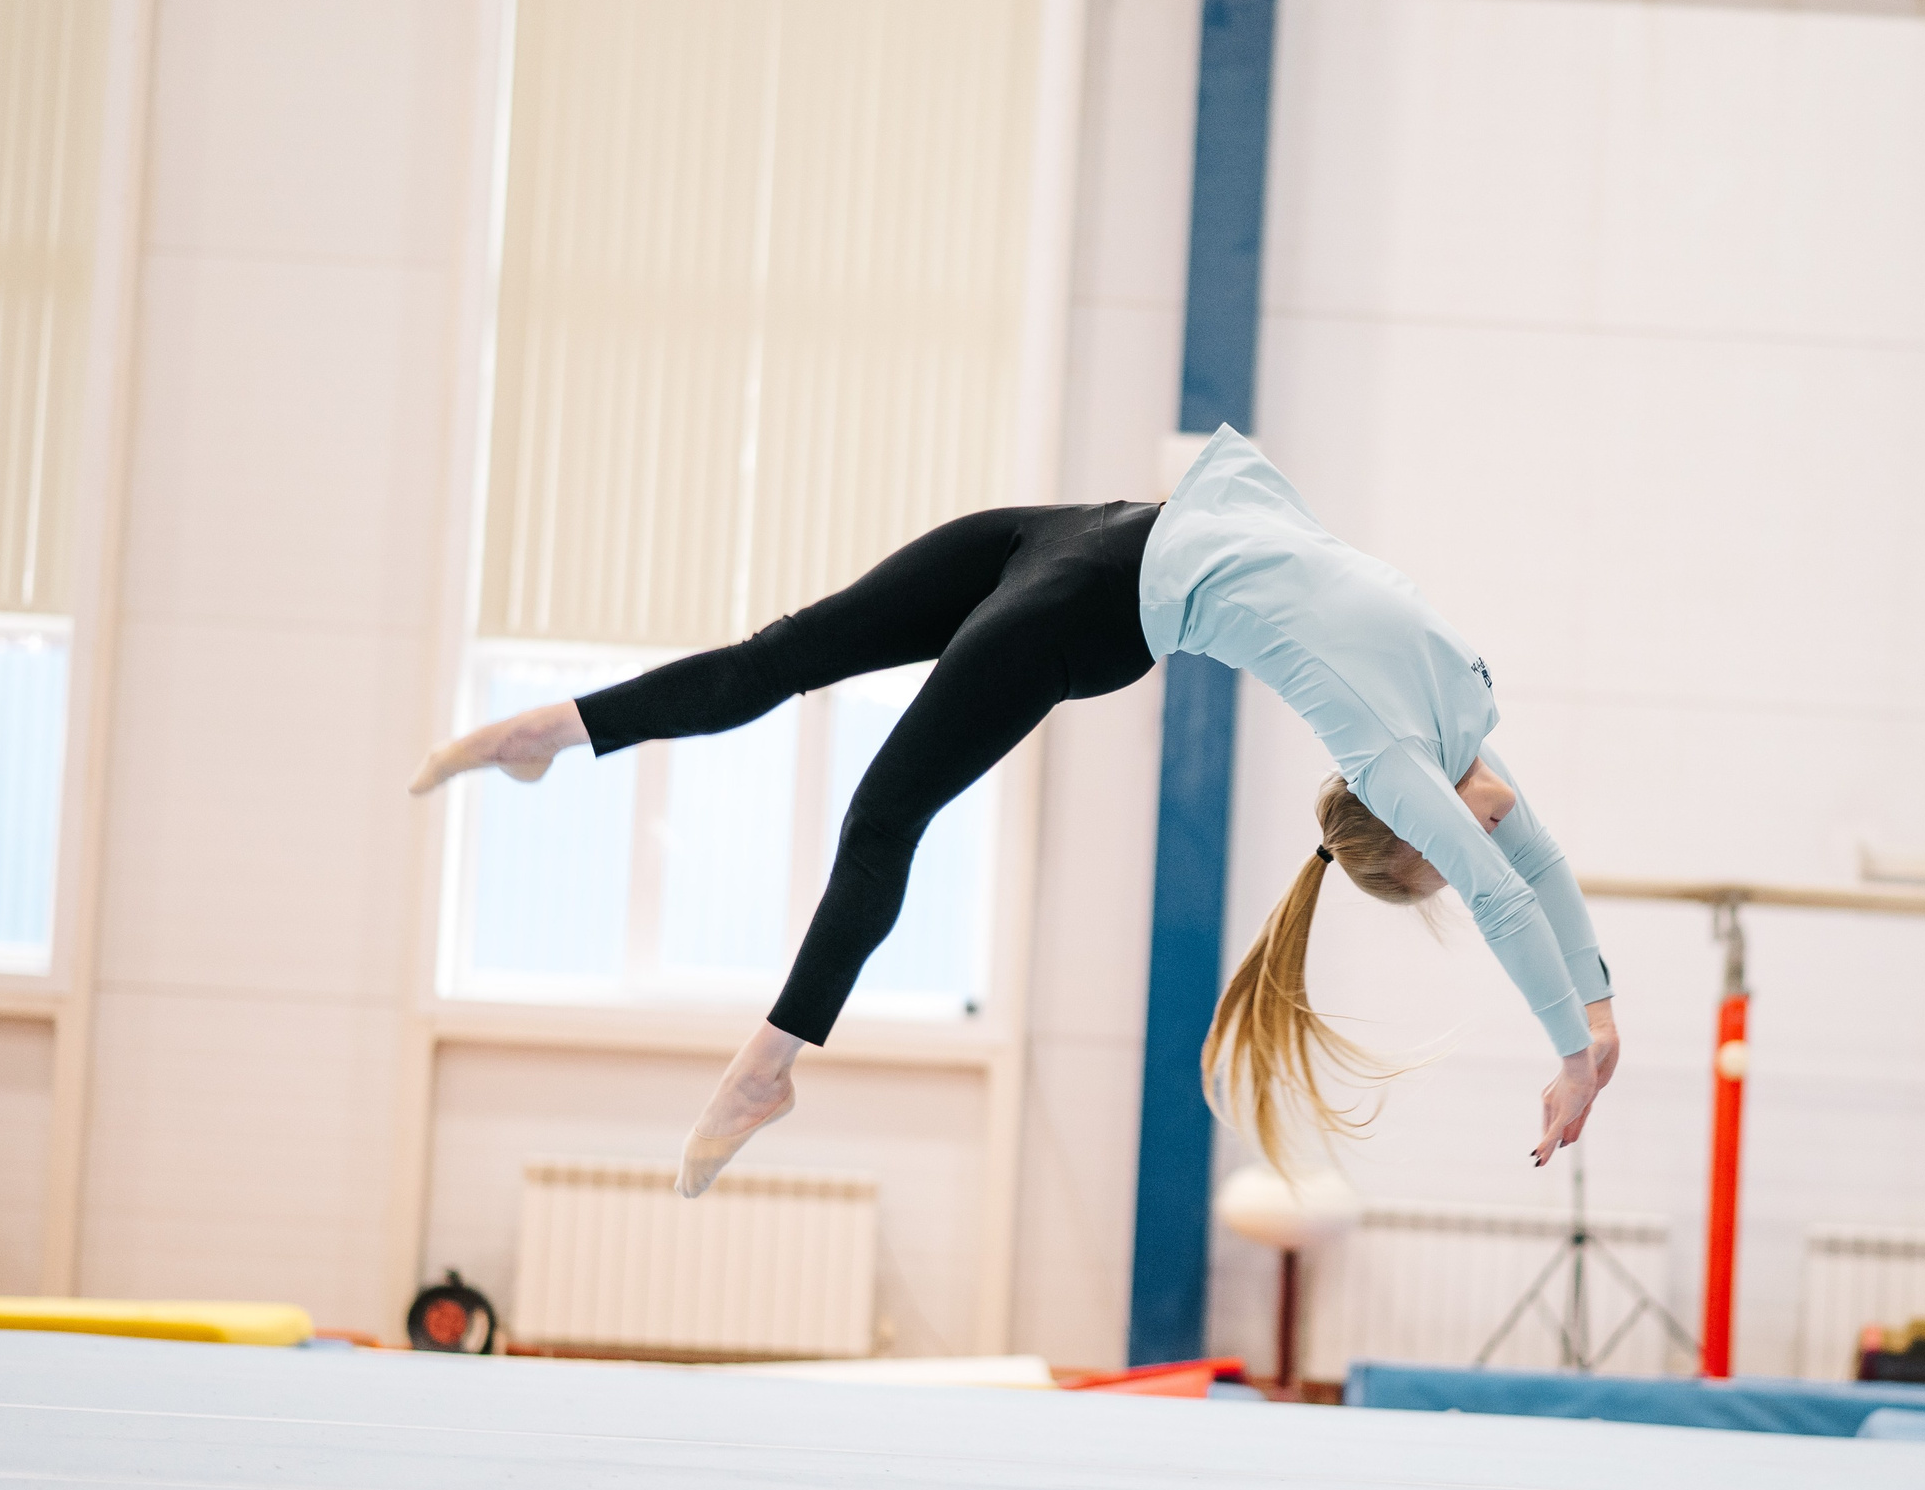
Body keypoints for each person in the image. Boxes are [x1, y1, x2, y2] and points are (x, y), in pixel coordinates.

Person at [410, 427, 1618, 1196]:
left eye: (1444, 867)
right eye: (1444, 867)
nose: (1484, 842)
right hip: (1066, 535)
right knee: (786, 651)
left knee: (883, 811)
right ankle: (553, 732)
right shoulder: (1446, 733)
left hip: (1085, 616)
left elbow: (1524, 872)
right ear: (1415, 839)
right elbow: (1527, 876)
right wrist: (1588, 1031)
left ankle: (772, 1059)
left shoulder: (1396, 746)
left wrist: (1582, 1033)